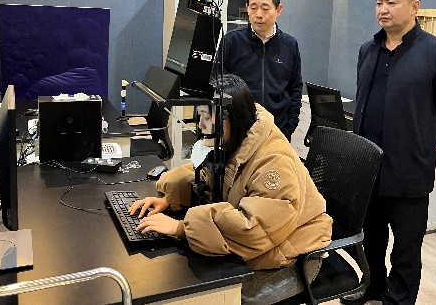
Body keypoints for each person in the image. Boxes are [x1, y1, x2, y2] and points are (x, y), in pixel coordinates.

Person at [130, 74, 332, 304]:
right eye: (200, 117)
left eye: (208, 118)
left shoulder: (274, 162)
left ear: (231, 119)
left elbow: (253, 229)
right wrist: (170, 197)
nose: (202, 126)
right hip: (265, 245)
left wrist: (182, 228)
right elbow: (207, 175)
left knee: (216, 298)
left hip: (295, 257)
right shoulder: (236, 139)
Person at [342, 0, 436, 305]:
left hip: (409, 170)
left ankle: (399, 300)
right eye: (379, 3)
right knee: (369, 239)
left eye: (391, 2)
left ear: (414, 6)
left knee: (406, 248)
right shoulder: (368, 50)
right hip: (368, 169)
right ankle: (372, 285)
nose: (383, 9)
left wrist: (422, 142)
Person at [212, 0, 302, 141]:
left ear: (278, 10)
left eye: (265, 8)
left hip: (277, 130)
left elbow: (295, 88)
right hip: (239, 131)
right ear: (247, 8)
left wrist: (290, 126)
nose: (258, 14)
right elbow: (216, 82)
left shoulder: (290, 45)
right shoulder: (232, 41)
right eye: (253, 8)